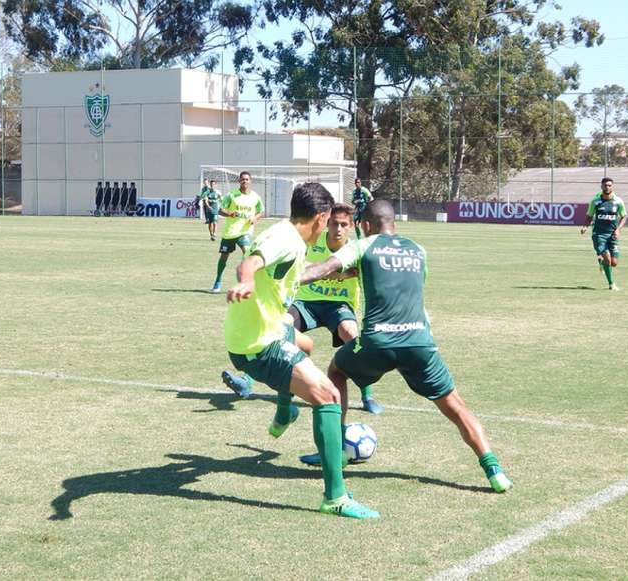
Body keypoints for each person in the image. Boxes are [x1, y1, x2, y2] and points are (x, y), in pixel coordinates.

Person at [299, 199, 513, 493]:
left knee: (337, 370)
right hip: (419, 342)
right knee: (458, 408)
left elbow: (324, 268)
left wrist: (284, 278)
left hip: (378, 342)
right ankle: (494, 471)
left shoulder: (363, 246)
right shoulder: (418, 250)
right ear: (395, 225)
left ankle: (335, 451)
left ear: (363, 226)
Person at [224, 181, 378, 519]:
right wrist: (247, 278)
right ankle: (335, 497)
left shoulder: (289, 234)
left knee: (305, 344)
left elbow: (283, 270)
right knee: (328, 396)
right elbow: (250, 262)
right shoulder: (285, 239)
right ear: (322, 218)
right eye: (329, 221)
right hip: (259, 343)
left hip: (267, 330)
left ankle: (284, 410)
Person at [211, 171, 264, 293]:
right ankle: (218, 280)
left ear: (250, 181)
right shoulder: (231, 196)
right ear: (239, 181)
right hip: (230, 232)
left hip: (245, 231)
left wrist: (254, 218)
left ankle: (244, 282)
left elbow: (261, 211)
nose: (244, 181)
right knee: (224, 256)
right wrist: (230, 213)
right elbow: (220, 210)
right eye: (242, 179)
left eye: (247, 179)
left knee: (247, 253)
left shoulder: (255, 197)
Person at [580, 177, 627, 291]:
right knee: (608, 260)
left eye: (609, 185)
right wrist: (585, 227)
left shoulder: (618, 201)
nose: (607, 187)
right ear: (601, 186)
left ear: (612, 187)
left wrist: (618, 230)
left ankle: (601, 262)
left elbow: (624, 216)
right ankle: (611, 284)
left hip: (612, 235)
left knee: (614, 263)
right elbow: (589, 216)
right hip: (599, 235)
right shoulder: (595, 201)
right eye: (605, 185)